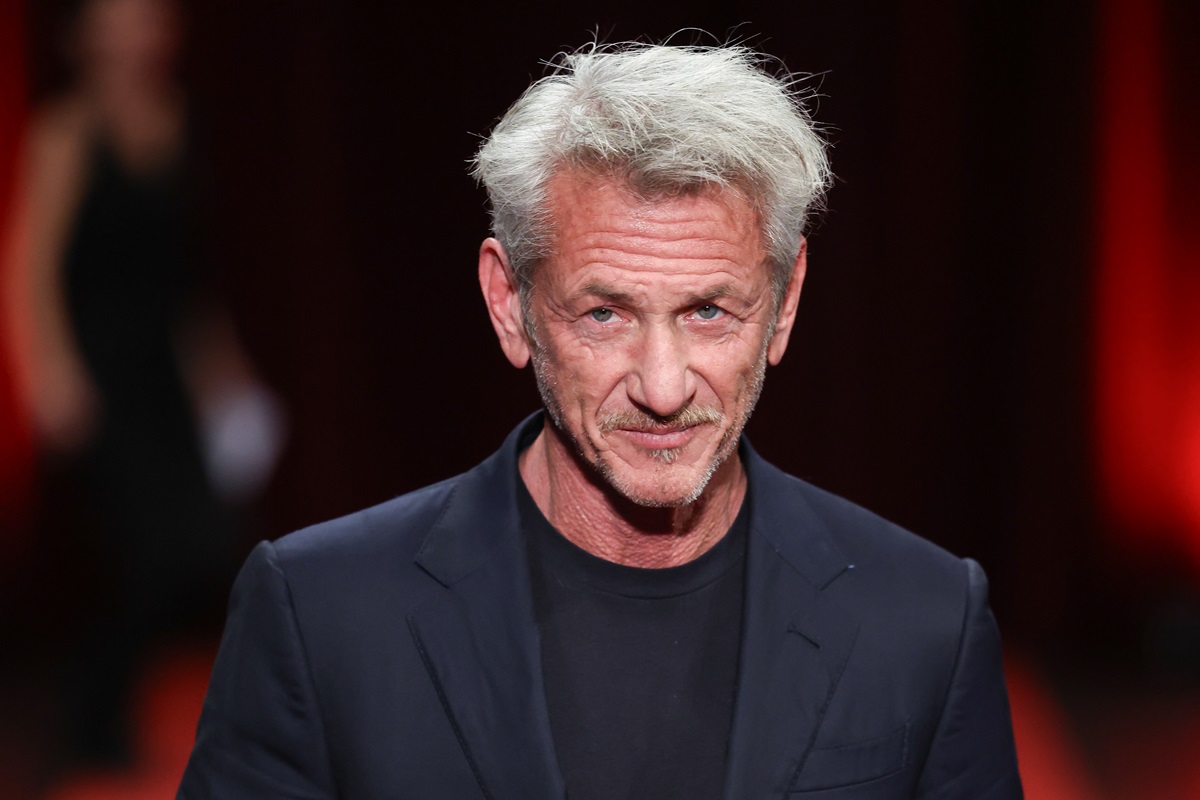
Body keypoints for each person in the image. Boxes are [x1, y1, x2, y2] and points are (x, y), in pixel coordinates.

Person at [179, 41, 1022, 798]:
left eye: (709, 312)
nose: (663, 387)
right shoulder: (322, 613)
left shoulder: (924, 620)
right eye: (605, 314)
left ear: (785, 302)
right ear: (509, 304)